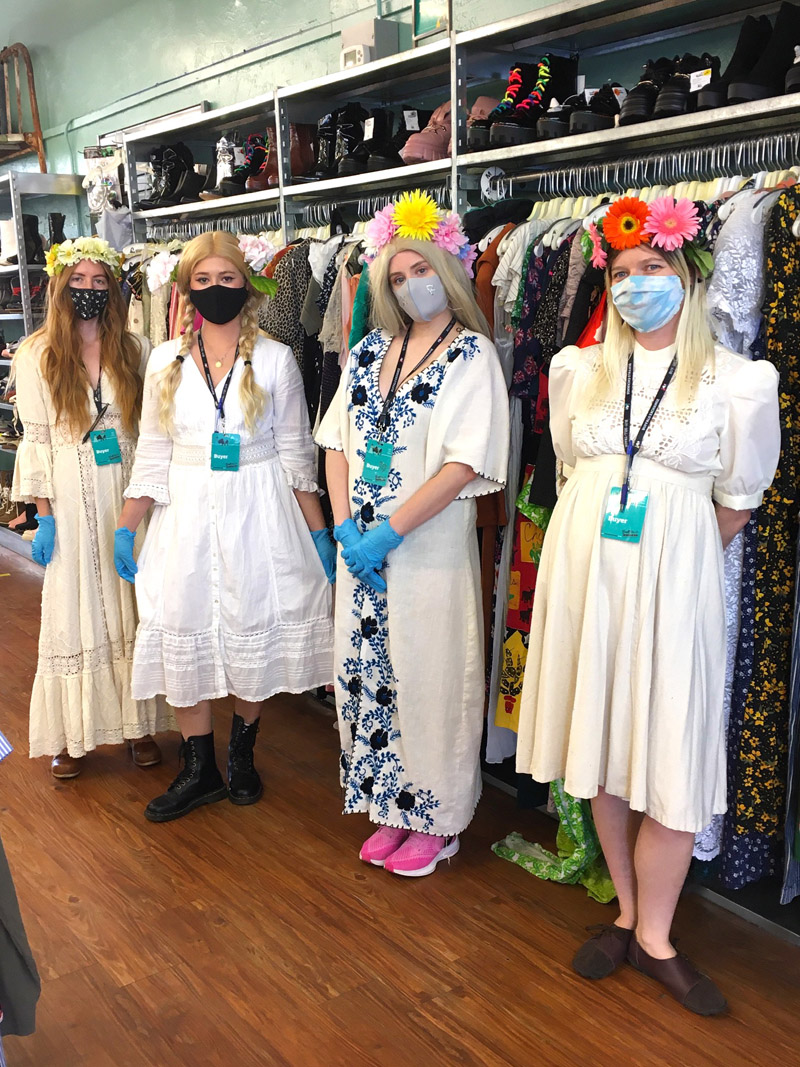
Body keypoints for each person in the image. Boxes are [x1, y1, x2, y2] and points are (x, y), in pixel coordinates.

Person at [515, 196, 781, 1014]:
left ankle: (658, 936)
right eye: (622, 274)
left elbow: (737, 498)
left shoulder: (739, 381)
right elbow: (571, 472)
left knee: (669, 749)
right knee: (602, 743)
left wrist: (678, 556)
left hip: (675, 581)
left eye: (653, 269)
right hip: (586, 579)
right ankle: (628, 914)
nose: (636, 286)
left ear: (689, 277)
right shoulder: (579, 369)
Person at [316, 190, 509, 877]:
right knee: (368, 675)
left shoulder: (472, 355)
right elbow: (336, 440)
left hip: (424, 550)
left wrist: (388, 533)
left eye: (419, 271)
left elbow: (464, 462)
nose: (409, 286)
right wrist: (344, 527)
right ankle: (389, 804)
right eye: (395, 278)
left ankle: (439, 817)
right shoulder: (369, 350)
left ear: (446, 269)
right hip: (360, 554)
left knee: (429, 674)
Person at [116, 230, 335, 823]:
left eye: (228, 279)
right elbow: (152, 453)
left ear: (247, 285)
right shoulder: (165, 359)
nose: (216, 290)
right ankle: (198, 768)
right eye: (204, 281)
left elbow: (296, 455)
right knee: (179, 621)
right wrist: (127, 524)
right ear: (186, 290)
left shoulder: (276, 358)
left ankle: (241, 756)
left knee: (251, 622)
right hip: (182, 512)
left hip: (258, 509)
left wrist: (318, 534)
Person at [12, 235, 168, 778]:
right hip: (69, 496)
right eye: (78, 281)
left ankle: (139, 725)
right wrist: (44, 517)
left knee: (134, 605)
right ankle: (72, 733)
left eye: (99, 282)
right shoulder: (35, 355)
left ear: (114, 289)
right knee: (71, 609)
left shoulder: (138, 349)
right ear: (59, 285)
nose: (88, 290)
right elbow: (34, 441)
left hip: (126, 492)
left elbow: (152, 434)